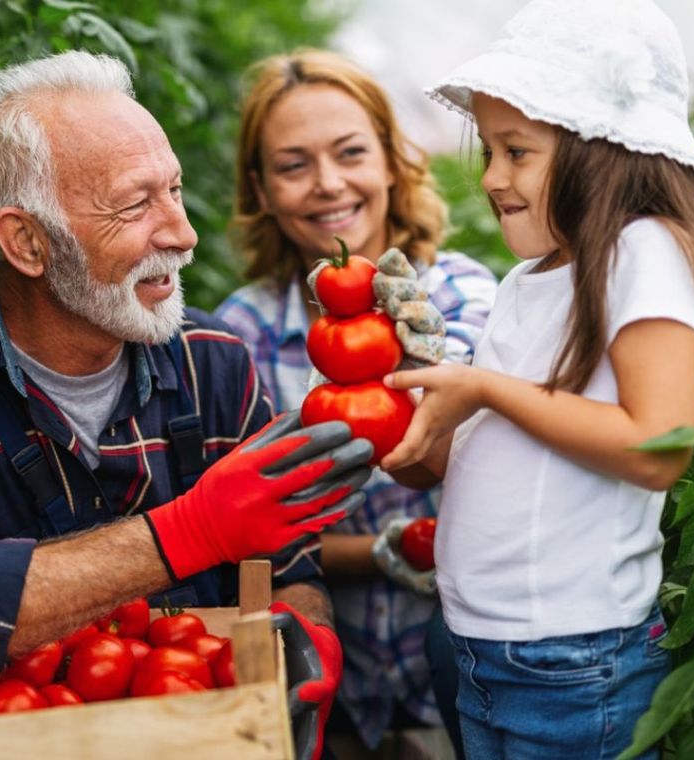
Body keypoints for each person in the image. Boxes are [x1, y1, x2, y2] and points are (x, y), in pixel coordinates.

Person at [0, 50, 375, 758]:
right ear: (27, 241)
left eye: (173, 191)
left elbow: (289, 567)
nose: (182, 232)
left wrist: (307, 634)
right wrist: (188, 531)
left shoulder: (214, 360)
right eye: (137, 203)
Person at [380, 1, 694, 757]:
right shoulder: (527, 282)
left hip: (574, 666)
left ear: (603, 150)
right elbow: (518, 444)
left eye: (518, 152)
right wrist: (427, 440)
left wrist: (483, 389)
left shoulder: (645, 252)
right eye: (489, 151)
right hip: (491, 651)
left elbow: (657, 446)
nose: (492, 177)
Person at [215, 49, 497, 756]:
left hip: (464, 671)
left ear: (392, 161)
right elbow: (246, 534)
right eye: (293, 165)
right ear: (261, 188)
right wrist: (378, 552)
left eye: (350, 153)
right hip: (321, 686)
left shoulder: (462, 295)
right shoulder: (238, 334)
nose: (328, 185)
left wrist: (412, 351)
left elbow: (445, 463)